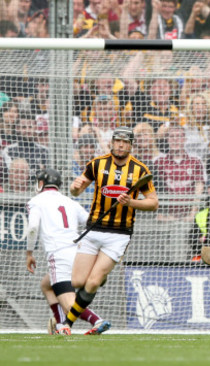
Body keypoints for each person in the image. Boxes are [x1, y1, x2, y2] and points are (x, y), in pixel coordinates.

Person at [60, 127, 158, 335]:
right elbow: (77, 189)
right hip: (94, 229)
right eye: (117, 141)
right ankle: (97, 280)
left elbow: (153, 203)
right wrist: (74, 187)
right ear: (112, 142)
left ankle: (66, 324)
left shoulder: (140, 170)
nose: (121, 145)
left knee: (93, 282)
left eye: (125, 142)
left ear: (131, 145)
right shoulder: (97, 164)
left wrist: (131, 201)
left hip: (119, 235)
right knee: (78, 281)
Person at [25, 168, 110, 335]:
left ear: (41, 183)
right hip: (78, 253)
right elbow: (90, 222)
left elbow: (33, 227)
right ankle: (62, 325)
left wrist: (29, 253)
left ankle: (96, 320)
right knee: (46, 285)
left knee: (69, 304)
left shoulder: (35, 201)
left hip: (59, 254)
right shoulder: (71, 202)